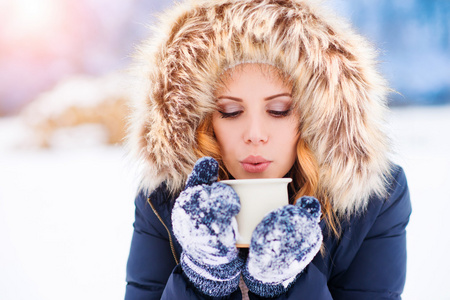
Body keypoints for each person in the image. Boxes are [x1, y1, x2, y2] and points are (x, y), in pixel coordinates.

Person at [124, 0, 412, 299]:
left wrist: (286, 287)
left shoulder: (370, 202)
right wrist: (203, 281)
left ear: (317, 116)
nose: (255, 135)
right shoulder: (165, 201)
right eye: (231, 112)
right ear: (201, 121)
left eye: (279, 110)